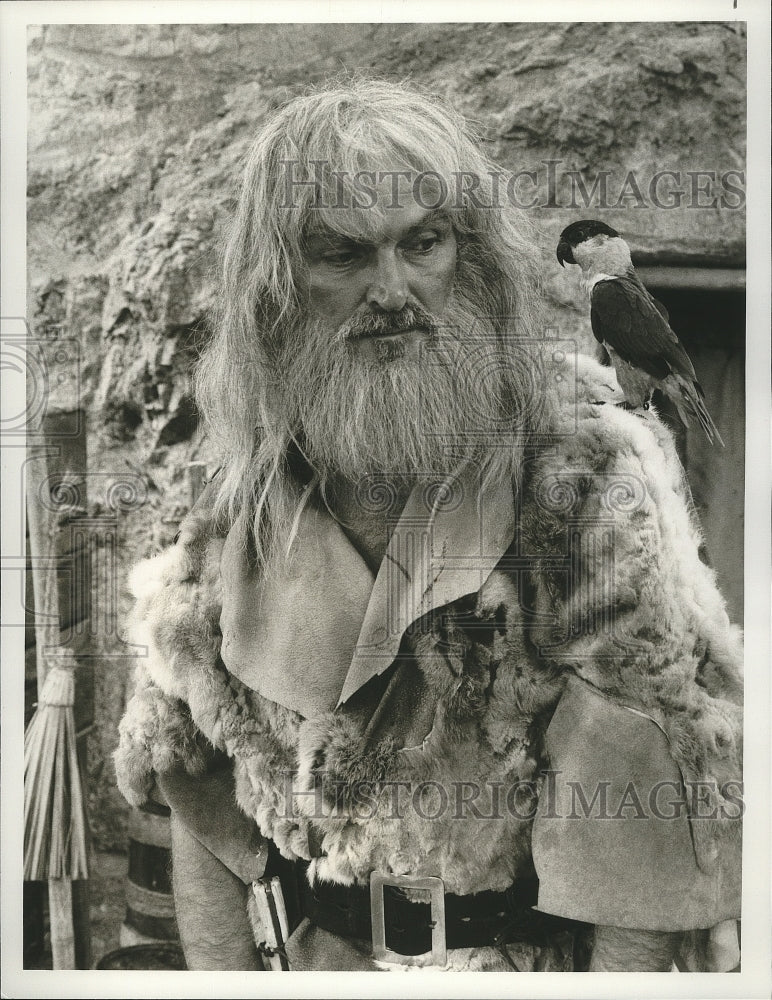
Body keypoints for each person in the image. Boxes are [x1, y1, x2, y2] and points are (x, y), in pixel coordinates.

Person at [115, 78, 743, 973]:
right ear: (279, 281)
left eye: (424, 243)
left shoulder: (579, 465)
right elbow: (195, 780)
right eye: (342, 254)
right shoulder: (241, 484)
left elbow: (639, 834)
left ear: (470, 257)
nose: (392, 290)